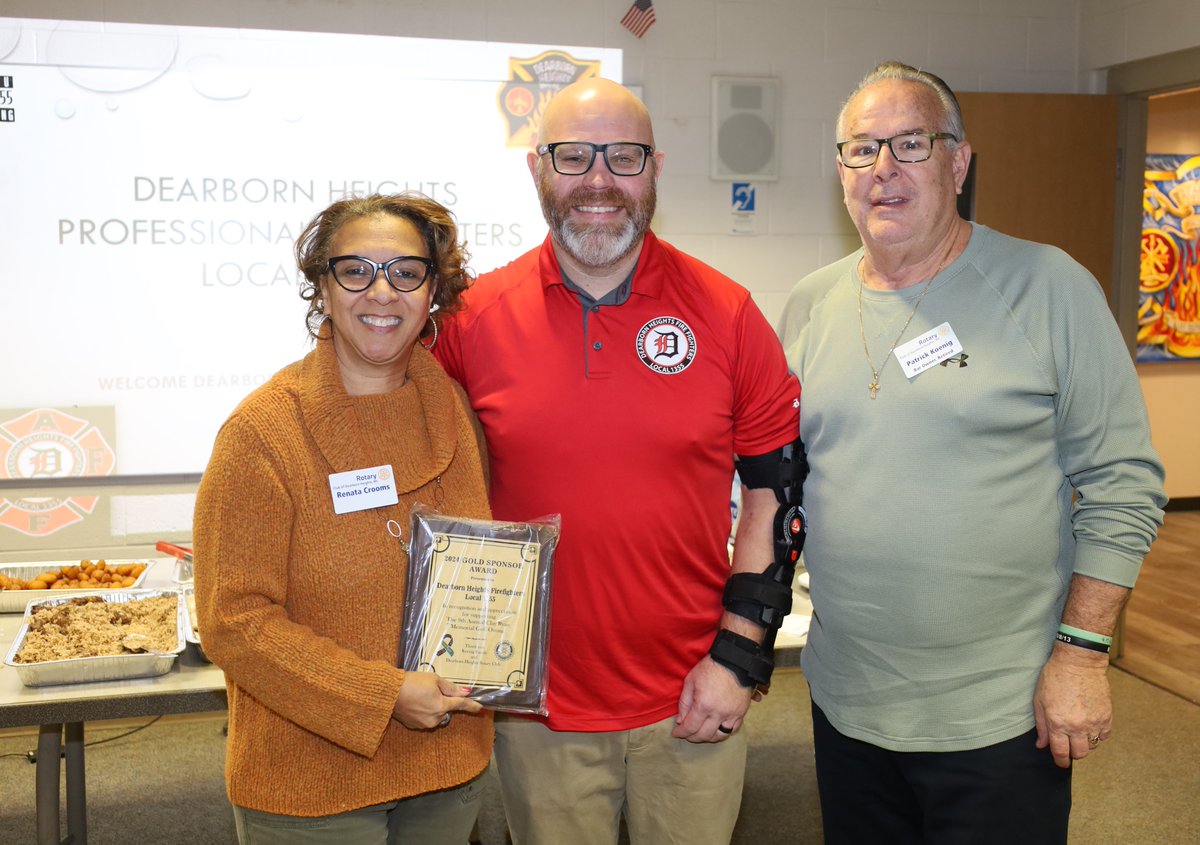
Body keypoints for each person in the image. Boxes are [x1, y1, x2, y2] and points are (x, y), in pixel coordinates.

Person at [777, 61, 1167, 844]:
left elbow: (1124, 484)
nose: (881, 169)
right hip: (847, 702)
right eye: (860, 149)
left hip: (1000, 713)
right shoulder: (812, 301)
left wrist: (1084, 659)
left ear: (958, 161)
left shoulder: (1048, 287)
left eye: (909, 143)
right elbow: (788, 481)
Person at [435, 78, 802, 844]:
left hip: (694, 699)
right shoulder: (471, 323)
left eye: (623, 157)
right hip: (537, 710)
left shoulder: (728, 313)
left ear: (655, 168)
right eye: (573, 156)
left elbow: (778, 493)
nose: (598, 180)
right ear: (537, 168)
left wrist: (739, 656)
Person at [193, 193, 493, 844]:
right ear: (322, 288)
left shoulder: (454, 414)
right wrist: (383, 695)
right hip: (311, 782)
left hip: (446, 765)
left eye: (406, 272)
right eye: (355, 270)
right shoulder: (261, 434)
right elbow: (234, 623)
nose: (381, 291)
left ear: (433, 290)